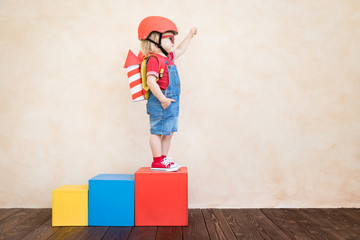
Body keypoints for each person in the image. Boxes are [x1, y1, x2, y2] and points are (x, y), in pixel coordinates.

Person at [138, 16, 197, 171]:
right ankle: (157, 161)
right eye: (169, 38)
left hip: (170, 101)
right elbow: (151, 82)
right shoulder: (154, 59)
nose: (173, 42)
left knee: (169, 132)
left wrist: (189, 36)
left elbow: (180, 50)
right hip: (160, 101)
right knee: (158, 131)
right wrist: (163, 99)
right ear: (155, 40)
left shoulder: (168, 57)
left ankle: (163, 159)